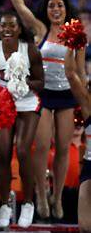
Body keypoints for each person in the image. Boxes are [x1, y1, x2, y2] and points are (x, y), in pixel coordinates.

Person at [8, 0, 82, 219]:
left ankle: (57, 197)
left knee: (63, 148)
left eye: (60, 5)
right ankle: (41, 193)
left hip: (67, 96)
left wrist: (84, 102)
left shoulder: (77, 35)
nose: (56, 9)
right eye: (51, 5)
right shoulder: (40, 29)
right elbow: (20, 7)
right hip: (42, 94)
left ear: (66, 9)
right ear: (46, 11)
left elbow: (80, 72)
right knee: (40, 147)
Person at [0, 12, 44, 228]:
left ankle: (28, 203)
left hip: (27, 104)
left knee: (24, 150)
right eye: (3, 26)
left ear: (19, 29)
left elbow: (40, 82)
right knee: (4, 154)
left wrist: (25, 85)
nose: (7, 29)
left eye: (11, 26)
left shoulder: (31, 50)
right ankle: (5, 205)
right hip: (2, 105)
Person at [64, 47, 90, 232]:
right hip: (89, 166)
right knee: (85, 227)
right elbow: (71, 75)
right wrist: (71, 48)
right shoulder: (89, 109)